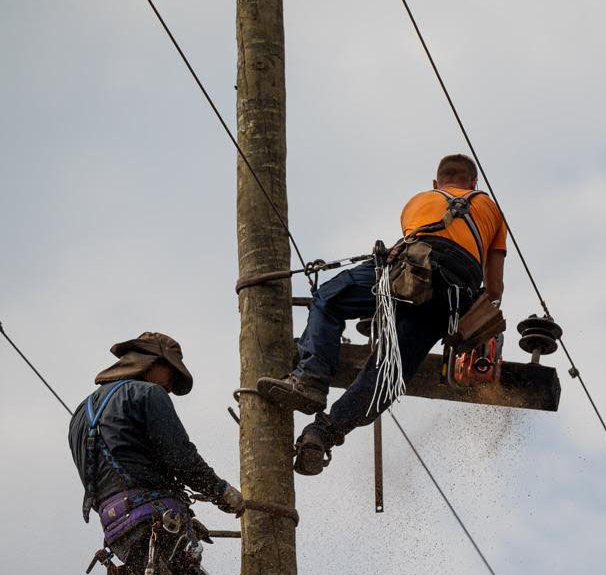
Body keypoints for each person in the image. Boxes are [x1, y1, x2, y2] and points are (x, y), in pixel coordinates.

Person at [257, 153, 507, 476]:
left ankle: (310, 380)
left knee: (328, 299)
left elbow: (416, 251)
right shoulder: (491, 209)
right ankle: (323, 433)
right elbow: (496, 288)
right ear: (474, 184)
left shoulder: (419, 201)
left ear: (436, 183)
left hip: (410, 269)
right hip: (451, 297)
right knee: (387, 373)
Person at [69, 332, 244, 575]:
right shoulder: (148, 393)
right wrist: (220, 491)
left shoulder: (80, 414)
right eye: (172, 373)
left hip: (118, 531)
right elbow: (182, 459)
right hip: (152, 519)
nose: (171, 386)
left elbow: (119, 470)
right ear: (152, 361)